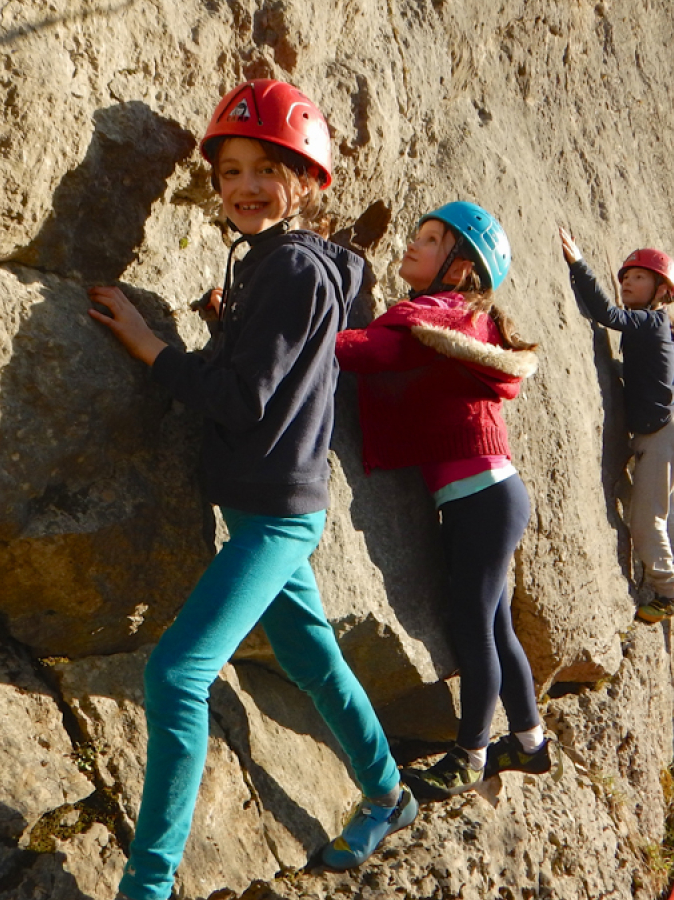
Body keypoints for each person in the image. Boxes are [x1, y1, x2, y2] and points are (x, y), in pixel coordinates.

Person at [87, 79, 414, 900]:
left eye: (268, 169)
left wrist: (149, 346)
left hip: (272, 517)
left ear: (306, 182)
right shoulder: (281, 265)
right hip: (276, 506)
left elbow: (241, 399)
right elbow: (270, 368)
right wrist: (220, 326)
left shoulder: (292, 267)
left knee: (176, 676)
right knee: (316, 661)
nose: (244, 187)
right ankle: (388, 793)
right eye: (230, 170)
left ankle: (148, 886)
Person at [336, 202, 551, 800]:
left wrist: (301, 332)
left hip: (482, 497)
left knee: (473, 623)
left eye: (429, 240)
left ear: (456, 270)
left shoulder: (438, 317)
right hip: (489, 493)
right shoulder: (461, 319)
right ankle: (531, 744)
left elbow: (373, 353)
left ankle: (471, 754)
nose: (411, 243)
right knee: (497, 623)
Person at [558, 229, 674, 624]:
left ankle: (666, 591)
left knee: (645, 518)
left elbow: (607, 316)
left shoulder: (649, 322)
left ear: (662, 289)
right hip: (663, 431)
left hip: (660, 435)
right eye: (625, 276)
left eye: (639, 276)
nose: (627, 281)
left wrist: (578, 266)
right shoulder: (656, 325)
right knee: (656, 505)